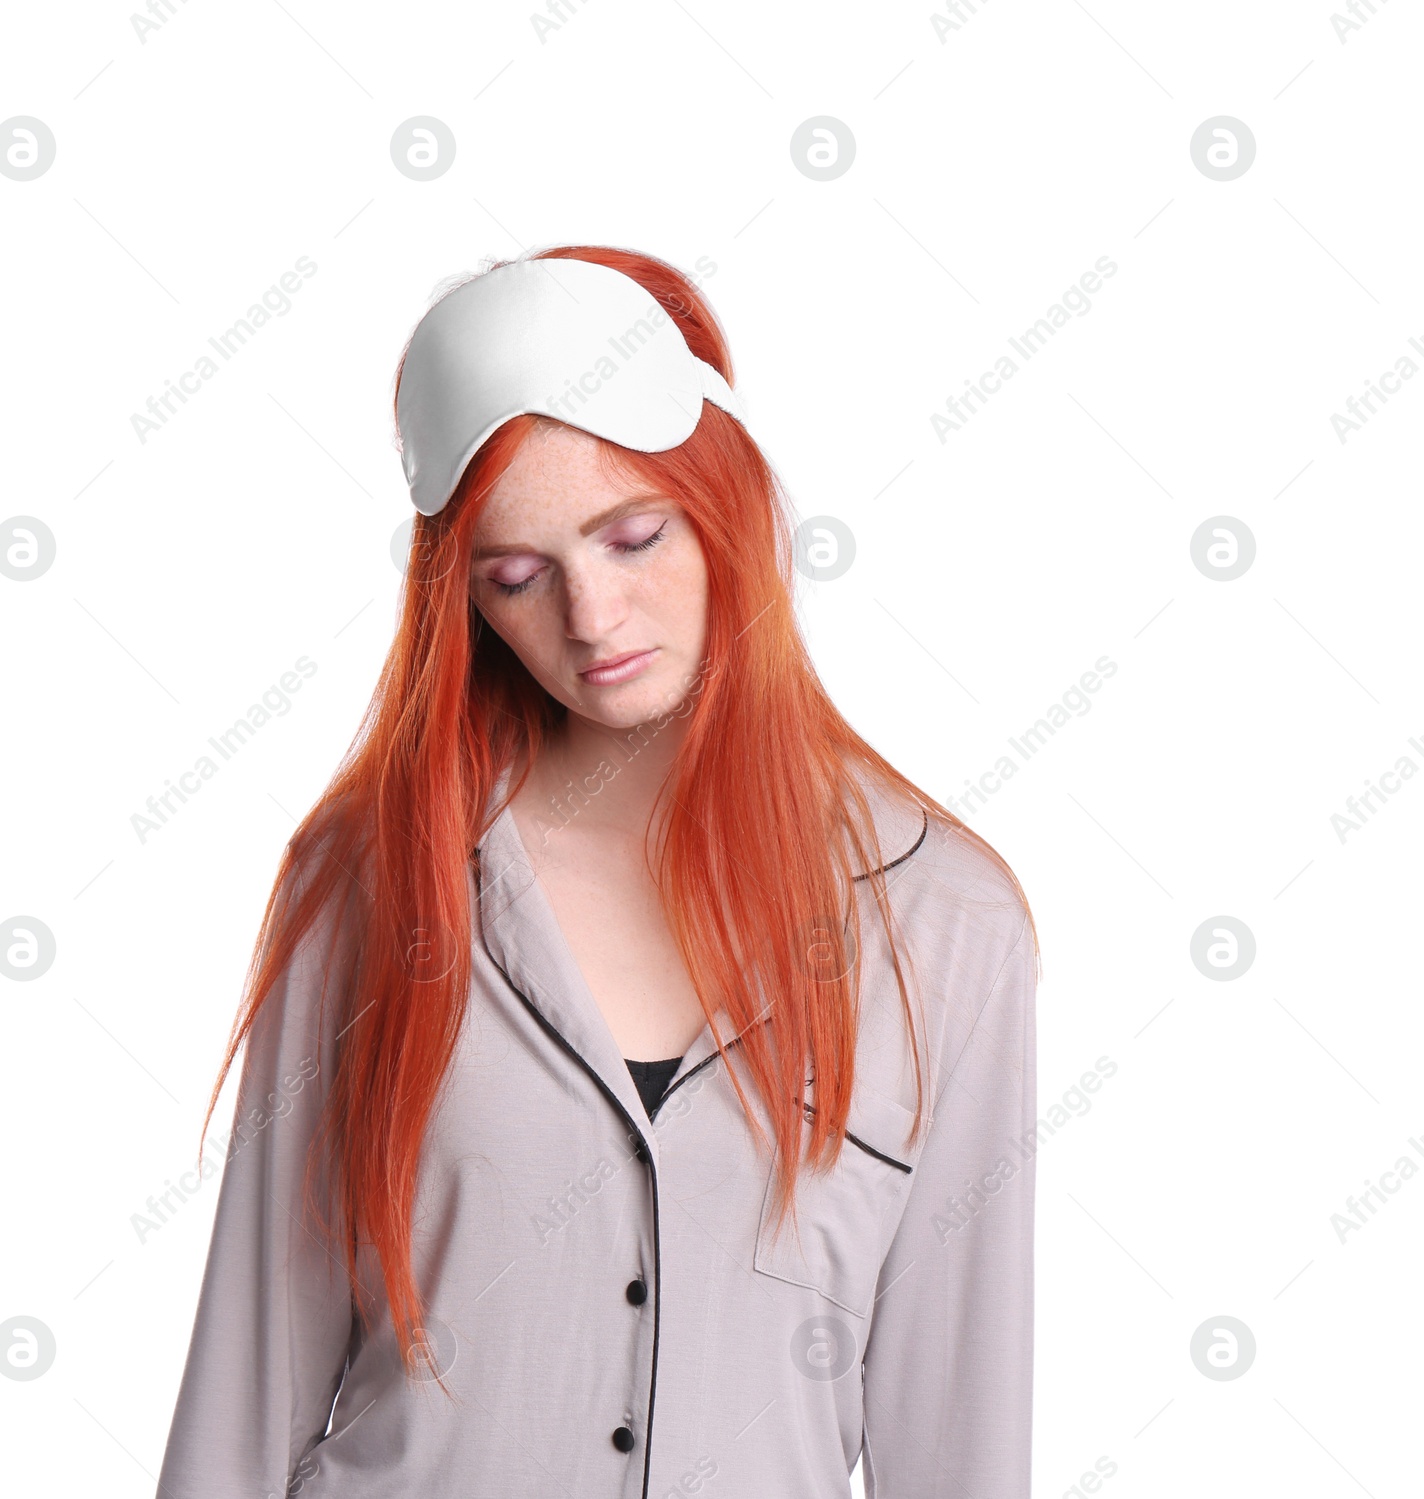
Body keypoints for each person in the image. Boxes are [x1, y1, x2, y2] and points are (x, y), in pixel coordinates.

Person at [155, 244, 1040, 1499]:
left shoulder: (945, 920)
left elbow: (957, 1435)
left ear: (726, 503)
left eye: (634, 536)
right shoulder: (364, 882)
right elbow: (246, 1396)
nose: (592, 618)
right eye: (517, 576)